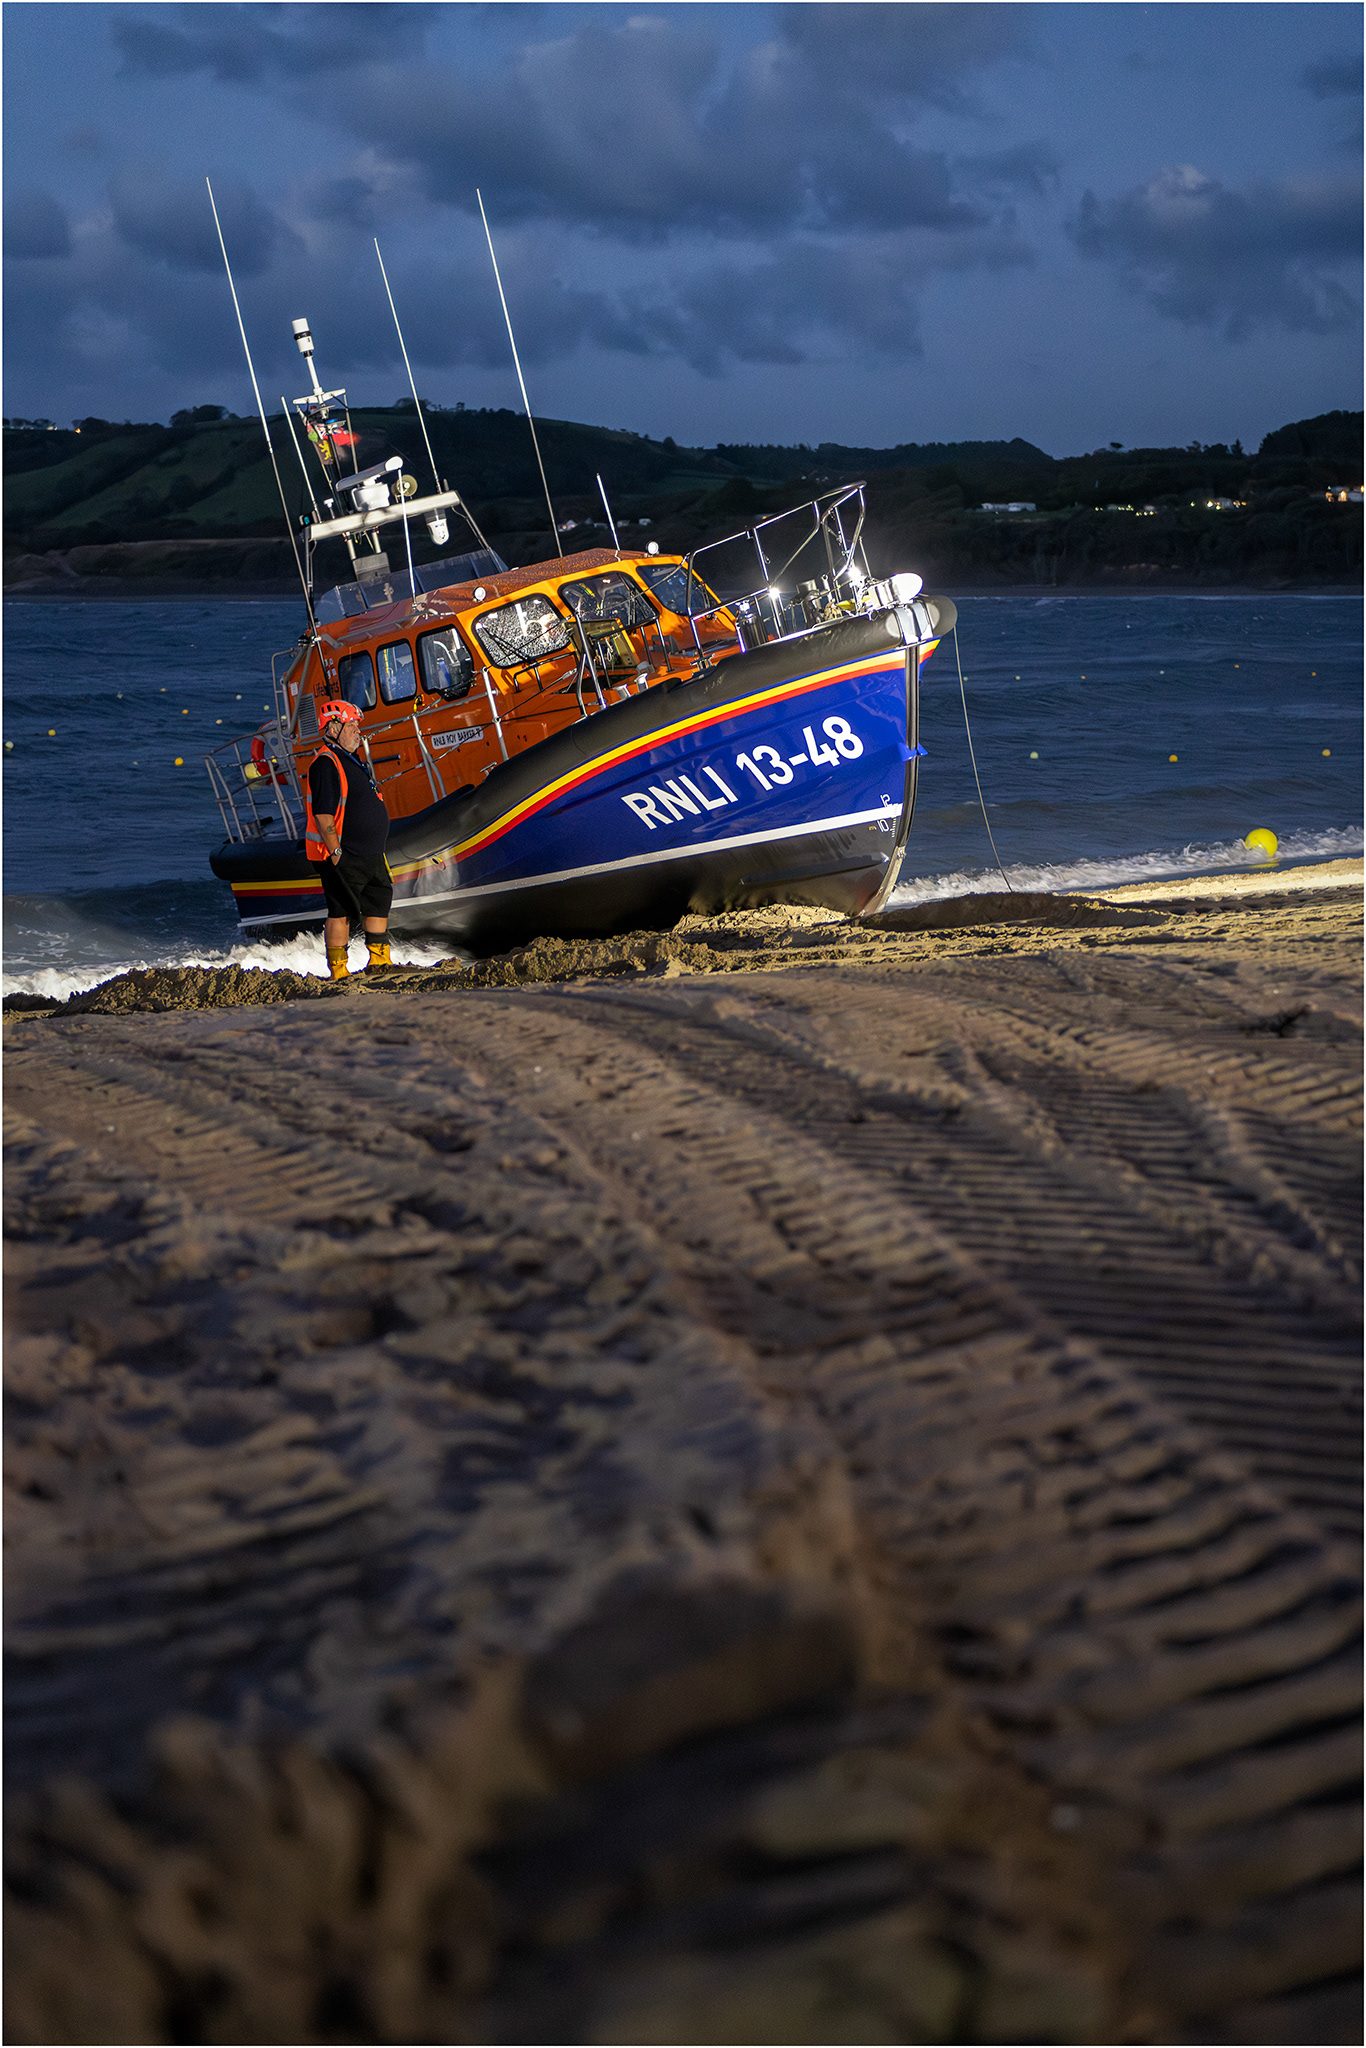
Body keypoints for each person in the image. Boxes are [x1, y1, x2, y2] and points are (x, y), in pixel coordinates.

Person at [303, 699, 394, 979]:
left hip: (370, 853)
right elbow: (323, 816)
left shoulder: (352, 760)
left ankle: (379, 962)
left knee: (377, 902)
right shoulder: (325, 764)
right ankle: (339, 970)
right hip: (345, 853)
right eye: (351, 725)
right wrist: (336, 852)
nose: (358, 731)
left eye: (357, 725)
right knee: (340, 910)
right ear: (332, 728)